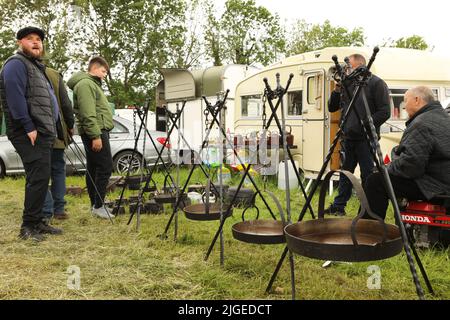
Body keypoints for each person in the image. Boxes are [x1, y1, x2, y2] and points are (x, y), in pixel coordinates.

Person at [0, 27, 63, 241]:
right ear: (20, 42)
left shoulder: (35, 66)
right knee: (37, 178)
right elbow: (14, 96)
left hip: (42, 131)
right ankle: (28, 227)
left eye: (39, 40)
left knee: (41, 177)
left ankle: (38, 222)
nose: (36, 43)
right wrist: (28, 126)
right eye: (30, 39)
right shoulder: (16, 64)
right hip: (29, 131)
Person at [364, 86, 450, 220]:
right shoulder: (444, 117)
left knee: (376, 181)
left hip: (436, 185)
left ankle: (368, 232)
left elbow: (411, 167)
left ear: (417, 100)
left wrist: (387, 168)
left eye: (405, 101)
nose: (404, 106)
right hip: (442, 179)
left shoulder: (421, 123)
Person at [324, 53, 391, 216]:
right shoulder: (347, 84)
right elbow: (332, 107)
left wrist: (364, 124)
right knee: (345, 173)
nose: (346, 70)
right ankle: (339, 206)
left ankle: (367, 210)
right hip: (348, 137)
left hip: (366, 139)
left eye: (349, 66)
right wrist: (338, 88)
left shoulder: (376, 83)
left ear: (360, 65)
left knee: (368, 175)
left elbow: (384, 112)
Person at [67, 57, 114, 219]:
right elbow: (88, 113)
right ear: (94, 68)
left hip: (97, 130)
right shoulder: (86, 84)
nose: (105, 75)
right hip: (96, 131)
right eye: (103, 71)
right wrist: (96, 136)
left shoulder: (90, 84)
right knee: (105, 167)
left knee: (94, 168)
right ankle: (99, 206)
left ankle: (95, 204)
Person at [42, 67, 75, 221]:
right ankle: (59, 209)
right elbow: (66, 104)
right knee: (58, 171)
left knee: (41, 173)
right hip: (56, 133)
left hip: (38, 133)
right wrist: (70, 125)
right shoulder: (54, 74)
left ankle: (46, 211)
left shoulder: (25, 71)